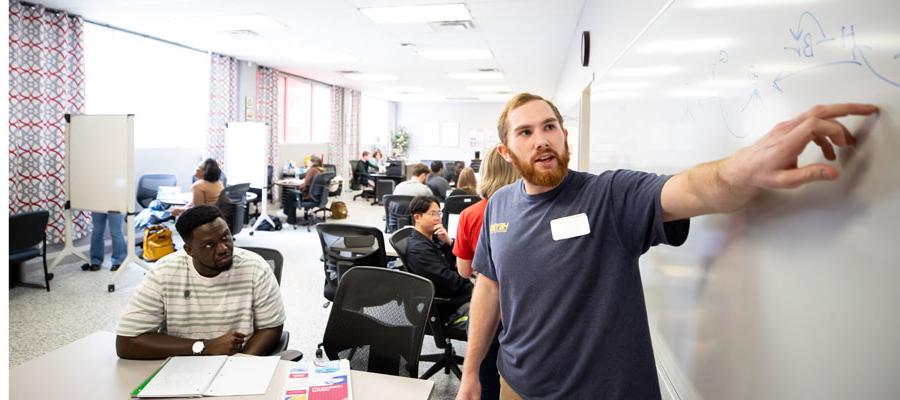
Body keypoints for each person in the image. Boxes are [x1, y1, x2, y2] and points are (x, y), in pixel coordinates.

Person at [455, 93, 878, 399]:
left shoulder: (609, 196)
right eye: (525, 132)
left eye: (549, 127)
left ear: (564, 135)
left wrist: (744, 167)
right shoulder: (499, 208)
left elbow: (695, 190)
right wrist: (472, 371)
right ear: (506, 152)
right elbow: (490, 286)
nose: (541, 139)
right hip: (518, 383)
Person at [116, 205, 286, 359]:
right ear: (189, 250)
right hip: (180, 367)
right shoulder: (163, 273)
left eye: (225, 237)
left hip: (239, 362)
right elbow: (127, 342)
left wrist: (239, 366)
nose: (223, 248)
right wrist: (205, 346)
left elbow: (271, 327)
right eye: (209, 245)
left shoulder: (256, 268)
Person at [406, 195, 473, 319]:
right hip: (449, 308)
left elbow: (455, 263)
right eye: (432, 214)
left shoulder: (434, 239)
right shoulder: (418, 250)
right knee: (496, 317)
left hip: (460, 296)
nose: (438, 218)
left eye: (439, 213)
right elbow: (449, 282)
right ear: (417, 217)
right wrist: (474, 283)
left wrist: (448, 242)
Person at [283, 155, 325, 224]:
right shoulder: (320, 170)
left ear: (313, 162)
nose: (307, 161)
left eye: (309, 160)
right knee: (292, 194)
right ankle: (287, 214)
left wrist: (299, 187)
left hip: (309, 196)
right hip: (316, 196)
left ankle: (290, 218)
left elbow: (305, 185)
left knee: (290, 194)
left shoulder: (312, 170)